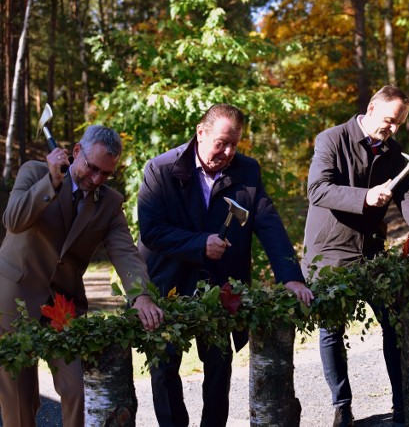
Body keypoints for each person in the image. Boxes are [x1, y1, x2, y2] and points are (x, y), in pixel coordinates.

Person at [138, 103, 313, 427]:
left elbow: (268, 223)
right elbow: (151, 231)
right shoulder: (159, 169)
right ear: (200, 133)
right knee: (164, 370)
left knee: (219, 366)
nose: (229, 151)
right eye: (222, 142)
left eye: (235, 144)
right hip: (167, 284)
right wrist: (199, 244)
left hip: (220, 287)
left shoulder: (247, 171)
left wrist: (290, 276)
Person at [302, 85, 409, 427]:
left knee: (393, 324)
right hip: (329, 251)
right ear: (370, 109)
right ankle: (343, 407)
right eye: (388, 121)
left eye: (399, 124)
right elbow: (317, 190)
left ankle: (402, 407)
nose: (393, 129)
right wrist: (364, 197)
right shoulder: (331, 139)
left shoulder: (392, 150)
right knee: (331, 330)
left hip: (371, 251)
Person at [0, 125, 164, 427]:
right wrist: (51, 182)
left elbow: (125, 251)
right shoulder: (34, 173)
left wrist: (140, 294)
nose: (96, 179)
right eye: (92, 168)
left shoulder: (110, 203)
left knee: (76, 388)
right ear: (77, 151)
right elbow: (13, 220)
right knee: (20, 401)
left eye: (105, 174)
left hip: (63, 306)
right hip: (15, 301)